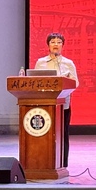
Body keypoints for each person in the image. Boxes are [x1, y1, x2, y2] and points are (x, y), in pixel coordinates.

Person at [35, 32, 79, 167]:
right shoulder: (41, 62)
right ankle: (44, 161)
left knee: (63, 134)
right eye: (53, 42)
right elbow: (35, 82)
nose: (56, 45)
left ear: (62, 45)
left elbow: (75, 83)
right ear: (48, 45)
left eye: (59, 42)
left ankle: (62, 163)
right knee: (45, 133)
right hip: (45, 105)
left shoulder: (68, 63)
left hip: (63, 105)